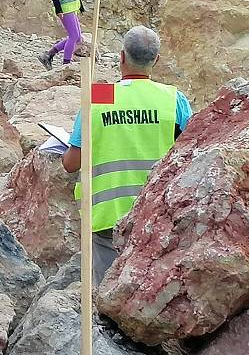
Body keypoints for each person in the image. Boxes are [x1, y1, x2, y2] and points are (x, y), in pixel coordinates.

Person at [62, 25, 192, 286]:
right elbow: (192, 151)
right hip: (156, 216)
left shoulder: (101, 96)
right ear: (156, 60)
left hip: (108, 217)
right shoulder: (172, 98)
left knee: (107, 292)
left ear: (121, 57)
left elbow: (71, 163)